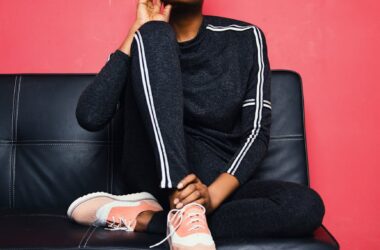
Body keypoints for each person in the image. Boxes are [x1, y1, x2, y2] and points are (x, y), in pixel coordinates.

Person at [66, 0, 326, 249]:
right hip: (154, 176)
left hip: (213, 183)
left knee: (305, 206)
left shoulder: (246, 38)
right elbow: (91, 116)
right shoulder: (145, 39)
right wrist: (138, 30)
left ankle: (151, 218)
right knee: (156, 33)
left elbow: (256, 132)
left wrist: (211, 197)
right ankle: (185, 209)